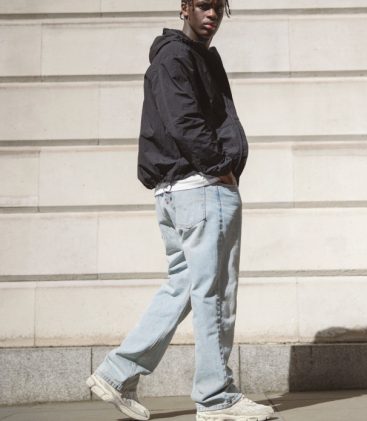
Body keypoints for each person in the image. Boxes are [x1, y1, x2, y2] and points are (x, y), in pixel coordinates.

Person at [86, 1, 274, 420]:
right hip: (201, 189)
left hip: (178, 192)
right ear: (185, 8)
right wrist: (220, 168)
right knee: (215, 294)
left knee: (184, 287)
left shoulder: (187, 57)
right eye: (204, 5)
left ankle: (117, 372)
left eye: (218, 7)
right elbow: (185, 123)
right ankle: (216, 398)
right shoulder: (176, 57)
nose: (212, 14)